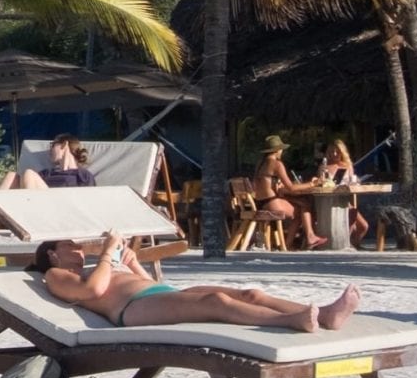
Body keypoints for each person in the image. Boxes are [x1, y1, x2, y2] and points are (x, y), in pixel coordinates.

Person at [30, 233, 361, 332]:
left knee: (249, 293)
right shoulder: (57, 275)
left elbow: (146, 284)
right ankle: (292, 320)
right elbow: (95, 292)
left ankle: (326, 314)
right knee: (218, 303)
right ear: (53, 255)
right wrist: (106, 254)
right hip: (133, 311)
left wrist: (131, 265)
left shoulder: (96, 267)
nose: (76, 248)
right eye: (67, 246)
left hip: (157, 295)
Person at [254, 134, 325, 249]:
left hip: (261, 202)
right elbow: (291, 187)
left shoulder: (260, 163)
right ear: (278, 150)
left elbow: (260, 183)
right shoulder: (277, 164)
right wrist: (313, 184)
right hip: (272, 203)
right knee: (304, 208)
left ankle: (289, 244)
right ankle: (308, 238)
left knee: (303, 204)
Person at [316, 140, 370, 245]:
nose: (334, 154)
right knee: (350, 224)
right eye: (331, 151)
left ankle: (352, 245)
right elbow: (319, 184)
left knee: (363, 226)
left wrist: (354, 182)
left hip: (345, 200)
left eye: (337, 151)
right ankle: (345, 245)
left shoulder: (347, 166)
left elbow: (351, 181)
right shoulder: (324, 167)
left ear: (342, 152)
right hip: (328, 201)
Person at [0, 135, 97, 190]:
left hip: (60, 208)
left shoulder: (83, 175)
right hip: (38, 200)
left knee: (29, 173)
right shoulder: (47, 173)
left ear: (64, 145)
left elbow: (89, 200)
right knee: (11, 176)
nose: (50, 151)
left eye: (52, 145)